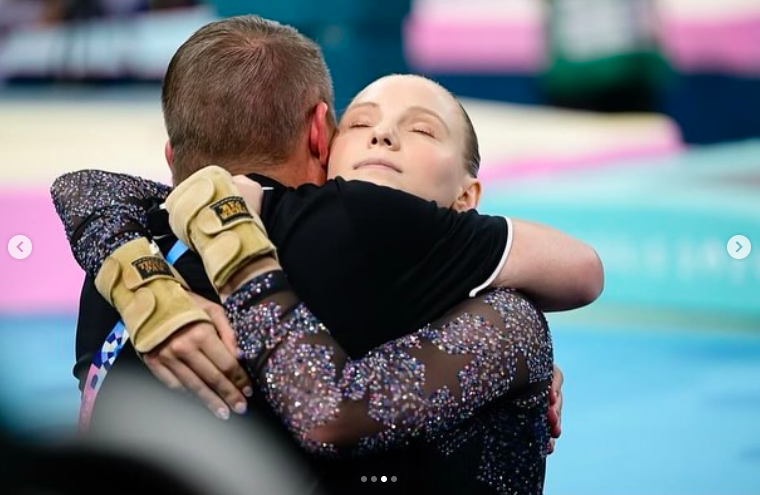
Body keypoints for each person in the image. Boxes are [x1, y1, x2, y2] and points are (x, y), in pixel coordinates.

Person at [51, 15, 599, 494]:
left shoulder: (123, 252)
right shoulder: (352, 225)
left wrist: (144, 274)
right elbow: (327, 411)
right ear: (323, 136)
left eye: (423, 129)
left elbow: (87, 188)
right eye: (359, 123)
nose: (382, 136)